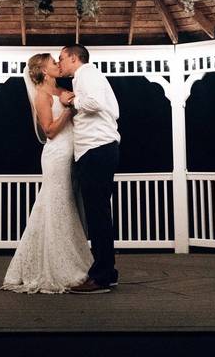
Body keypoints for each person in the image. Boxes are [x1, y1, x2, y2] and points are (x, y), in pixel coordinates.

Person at [0, 53, 93, 294]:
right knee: (56, 204)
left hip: (73, 153)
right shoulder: (41, 96)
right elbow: (49, 131)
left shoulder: (62, 89)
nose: (57, 64)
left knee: (65, 205)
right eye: (53, 62)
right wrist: (68, 111)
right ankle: (54, 267)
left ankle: (70, 259)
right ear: (42, 70)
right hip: (56, 156)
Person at [58, 44, 121, 294]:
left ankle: (101, 277)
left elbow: (93, 103)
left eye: (62, 58)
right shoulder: (86, 77)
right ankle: (108, 272)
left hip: (97, 149)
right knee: (99, 213)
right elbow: (108, 108)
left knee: (98, 215)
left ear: (74, 58)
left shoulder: (87, 74)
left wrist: (70, 100)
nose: (59, 63)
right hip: (96, 149)